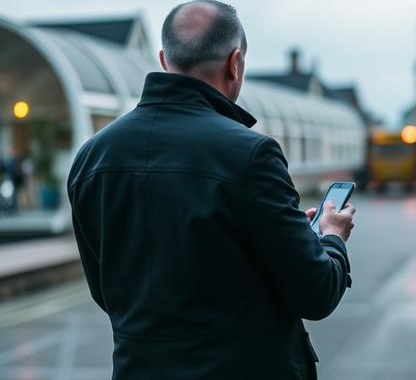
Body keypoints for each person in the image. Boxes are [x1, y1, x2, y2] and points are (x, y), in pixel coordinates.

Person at [66, 1, 355, 379]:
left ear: (163, 60)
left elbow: (108, 292)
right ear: (235, 63)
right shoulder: (252, 155)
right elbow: (315, 293)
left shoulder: (92, 158)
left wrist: (280, 228)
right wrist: (331, 236)